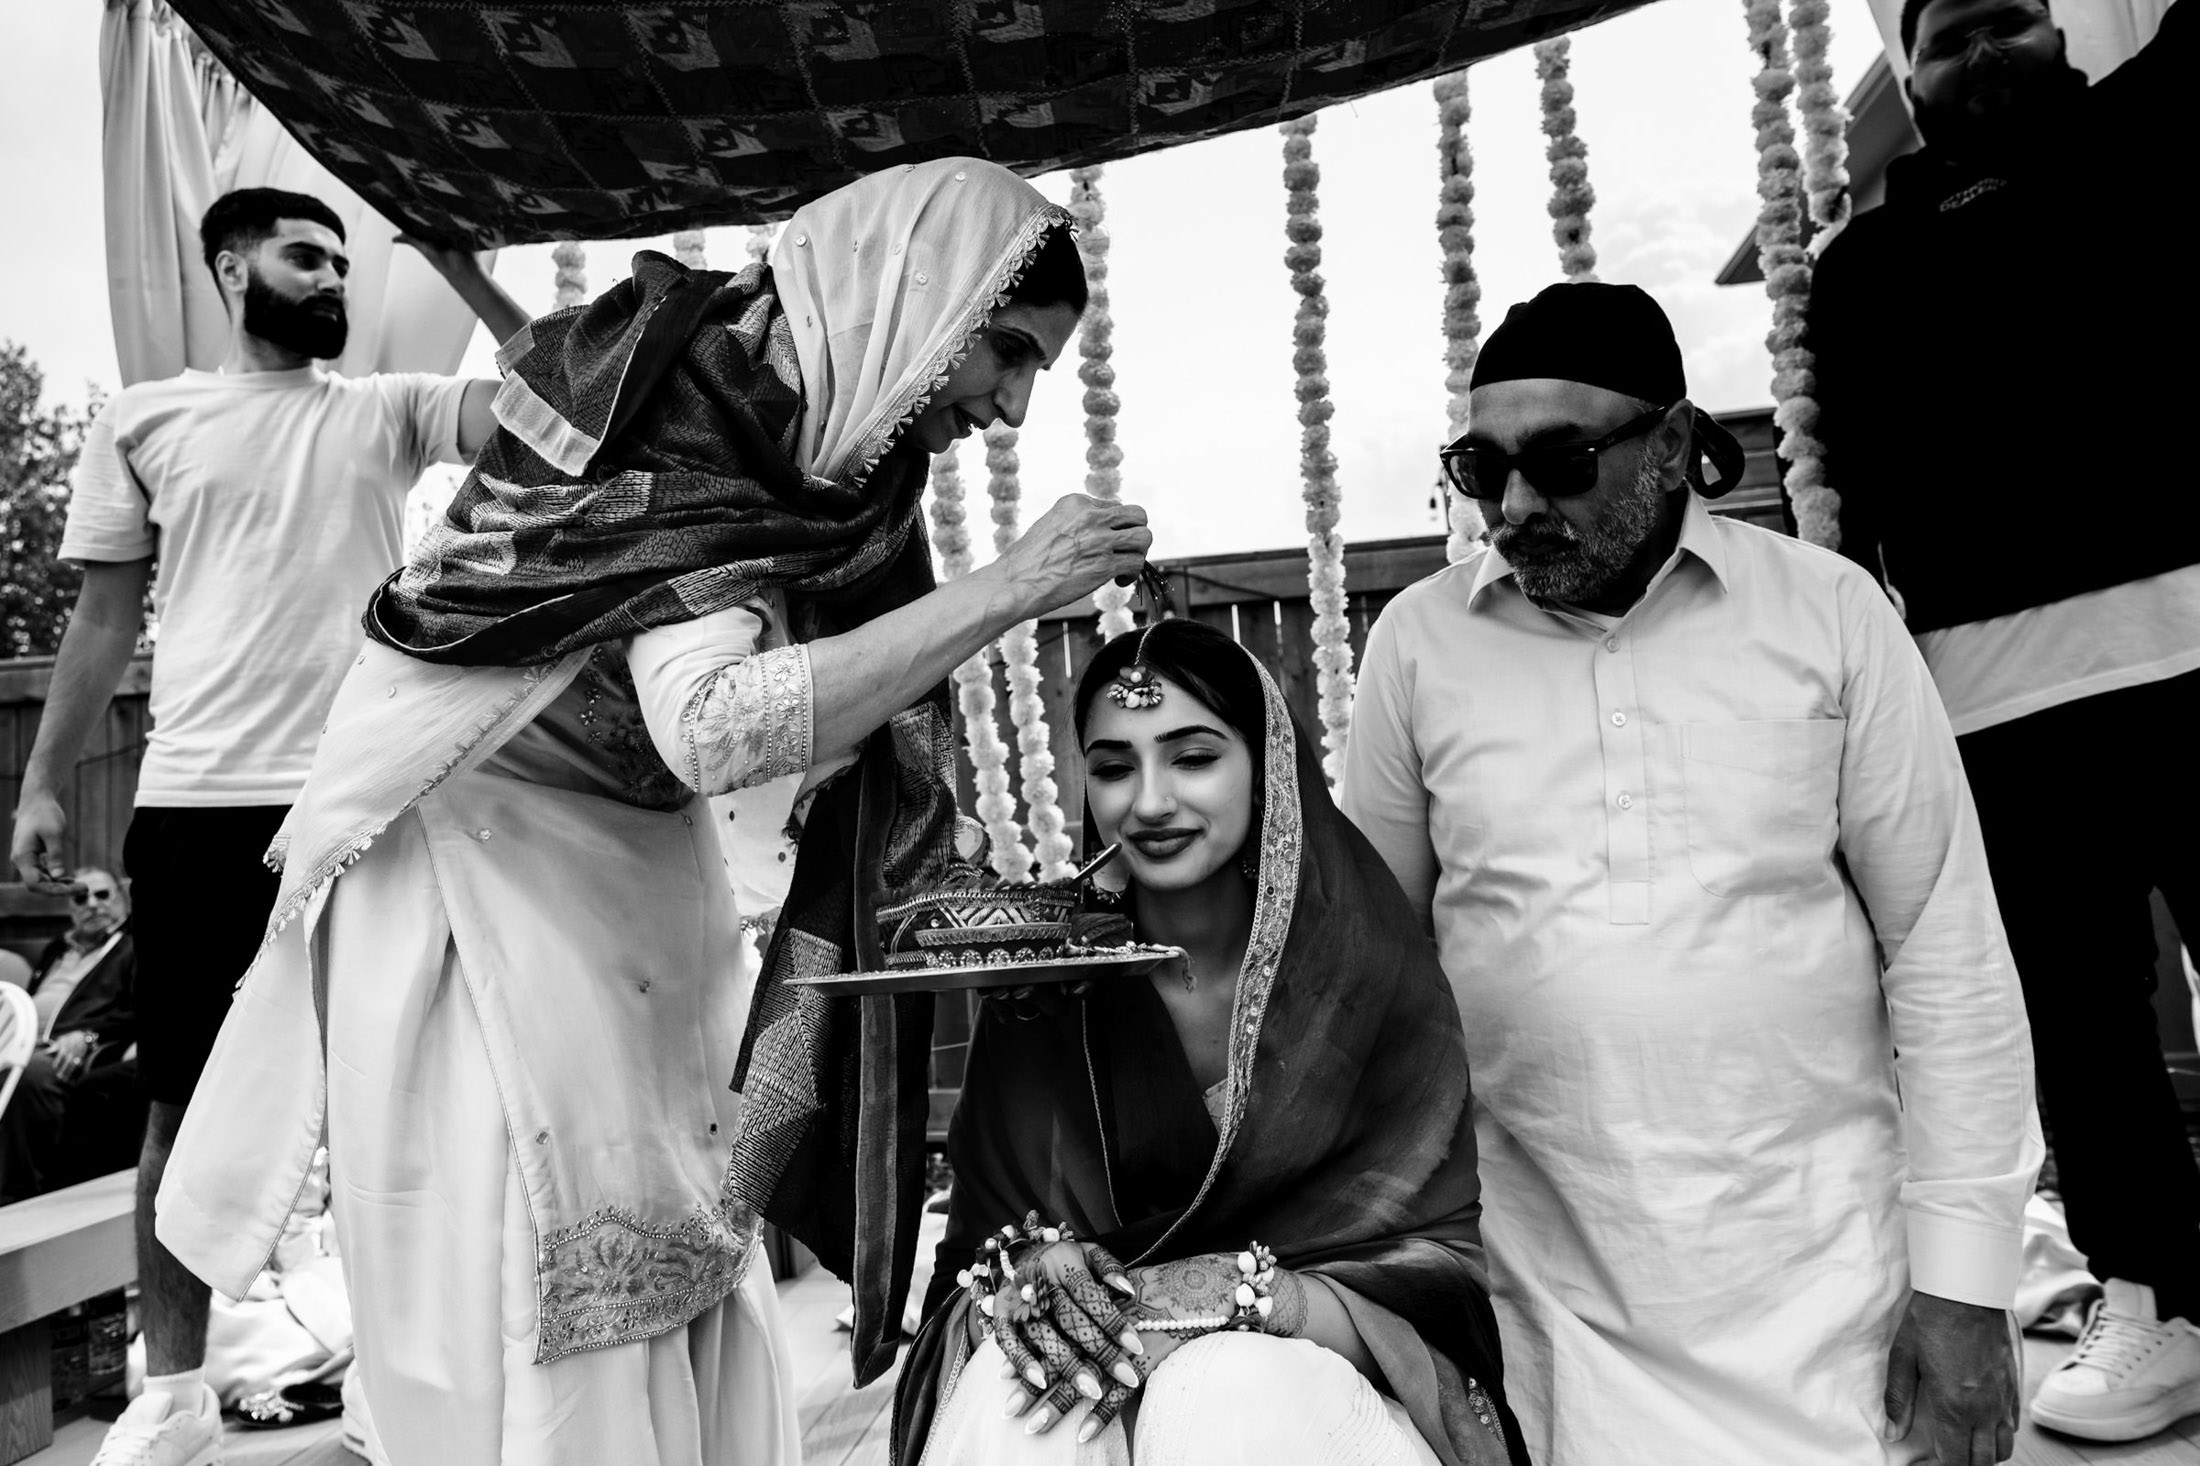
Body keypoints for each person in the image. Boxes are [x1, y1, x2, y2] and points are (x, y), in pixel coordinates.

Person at [154, 157, 1151, 1466]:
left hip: (636, 862)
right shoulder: (682, 405)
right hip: (475, 858)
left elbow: (876, 754)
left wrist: (1008, 899)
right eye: (1008, 353)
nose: (1014, 407)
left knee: (688, 1231)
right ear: (920, 300)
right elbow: (714, 723)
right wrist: (1013, 585)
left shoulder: (850, 473)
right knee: (546, 1266)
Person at [1340, 281, 2043, 1466]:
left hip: (1824, 1301)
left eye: (1561, 461)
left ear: (1670, 445)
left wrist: (1965, 1283)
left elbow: (1946, 950)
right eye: (1480, 466)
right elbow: (1367, 964)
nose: (1513, 506)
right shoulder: (1417, 641)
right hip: (1542, 1307)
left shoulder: (1828, 616)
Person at [6, 184, 524, 1466]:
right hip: (192, 807)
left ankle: (399, 1392)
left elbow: (561, 405)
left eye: (343, 258)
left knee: (386, 1102)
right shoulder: (146, 417)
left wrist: (462, 270)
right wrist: (42, 779)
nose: (333, 275)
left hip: (359, 798)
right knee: (183, 1103)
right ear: (233, 268)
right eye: (306, 254)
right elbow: (105, 620)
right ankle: (172, 1393)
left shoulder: (387, 406)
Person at [1807, 0, 2200, 1442]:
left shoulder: (2151, 145)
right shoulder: (1861, 269)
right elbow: (1849, 496)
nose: (1986, 59)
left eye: (2012, 23)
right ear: (1909, 78)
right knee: (2086, 1032)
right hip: (1998, 695)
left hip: (2196, 641)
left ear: (2062, 37)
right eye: (1951, 36)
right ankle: (2161, 1303)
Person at [895, 619, 1530, 1466]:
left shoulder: (1366, 979)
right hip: (1102, 1398)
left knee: (1226, 1387)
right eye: (1115, 767)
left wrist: (1244, 1297)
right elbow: (976, 1268)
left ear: (1268, 768)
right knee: (1023, 1394)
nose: (1149, 803)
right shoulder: (1049, 998)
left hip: (1309, 1402)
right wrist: (1033, 1283)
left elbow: (1436, 1279)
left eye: (1193, 758)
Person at [0, 868, 144, 1203]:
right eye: (81, 898)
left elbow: (139, 1010)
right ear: (70, 909)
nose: (92, 904)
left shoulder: (133, 947)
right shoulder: (57, 949)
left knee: (31, 1074)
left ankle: (16, 1196)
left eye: (102, 895)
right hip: (19, 1036)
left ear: (122, 900)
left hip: (71, 1048)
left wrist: (88, 1035)